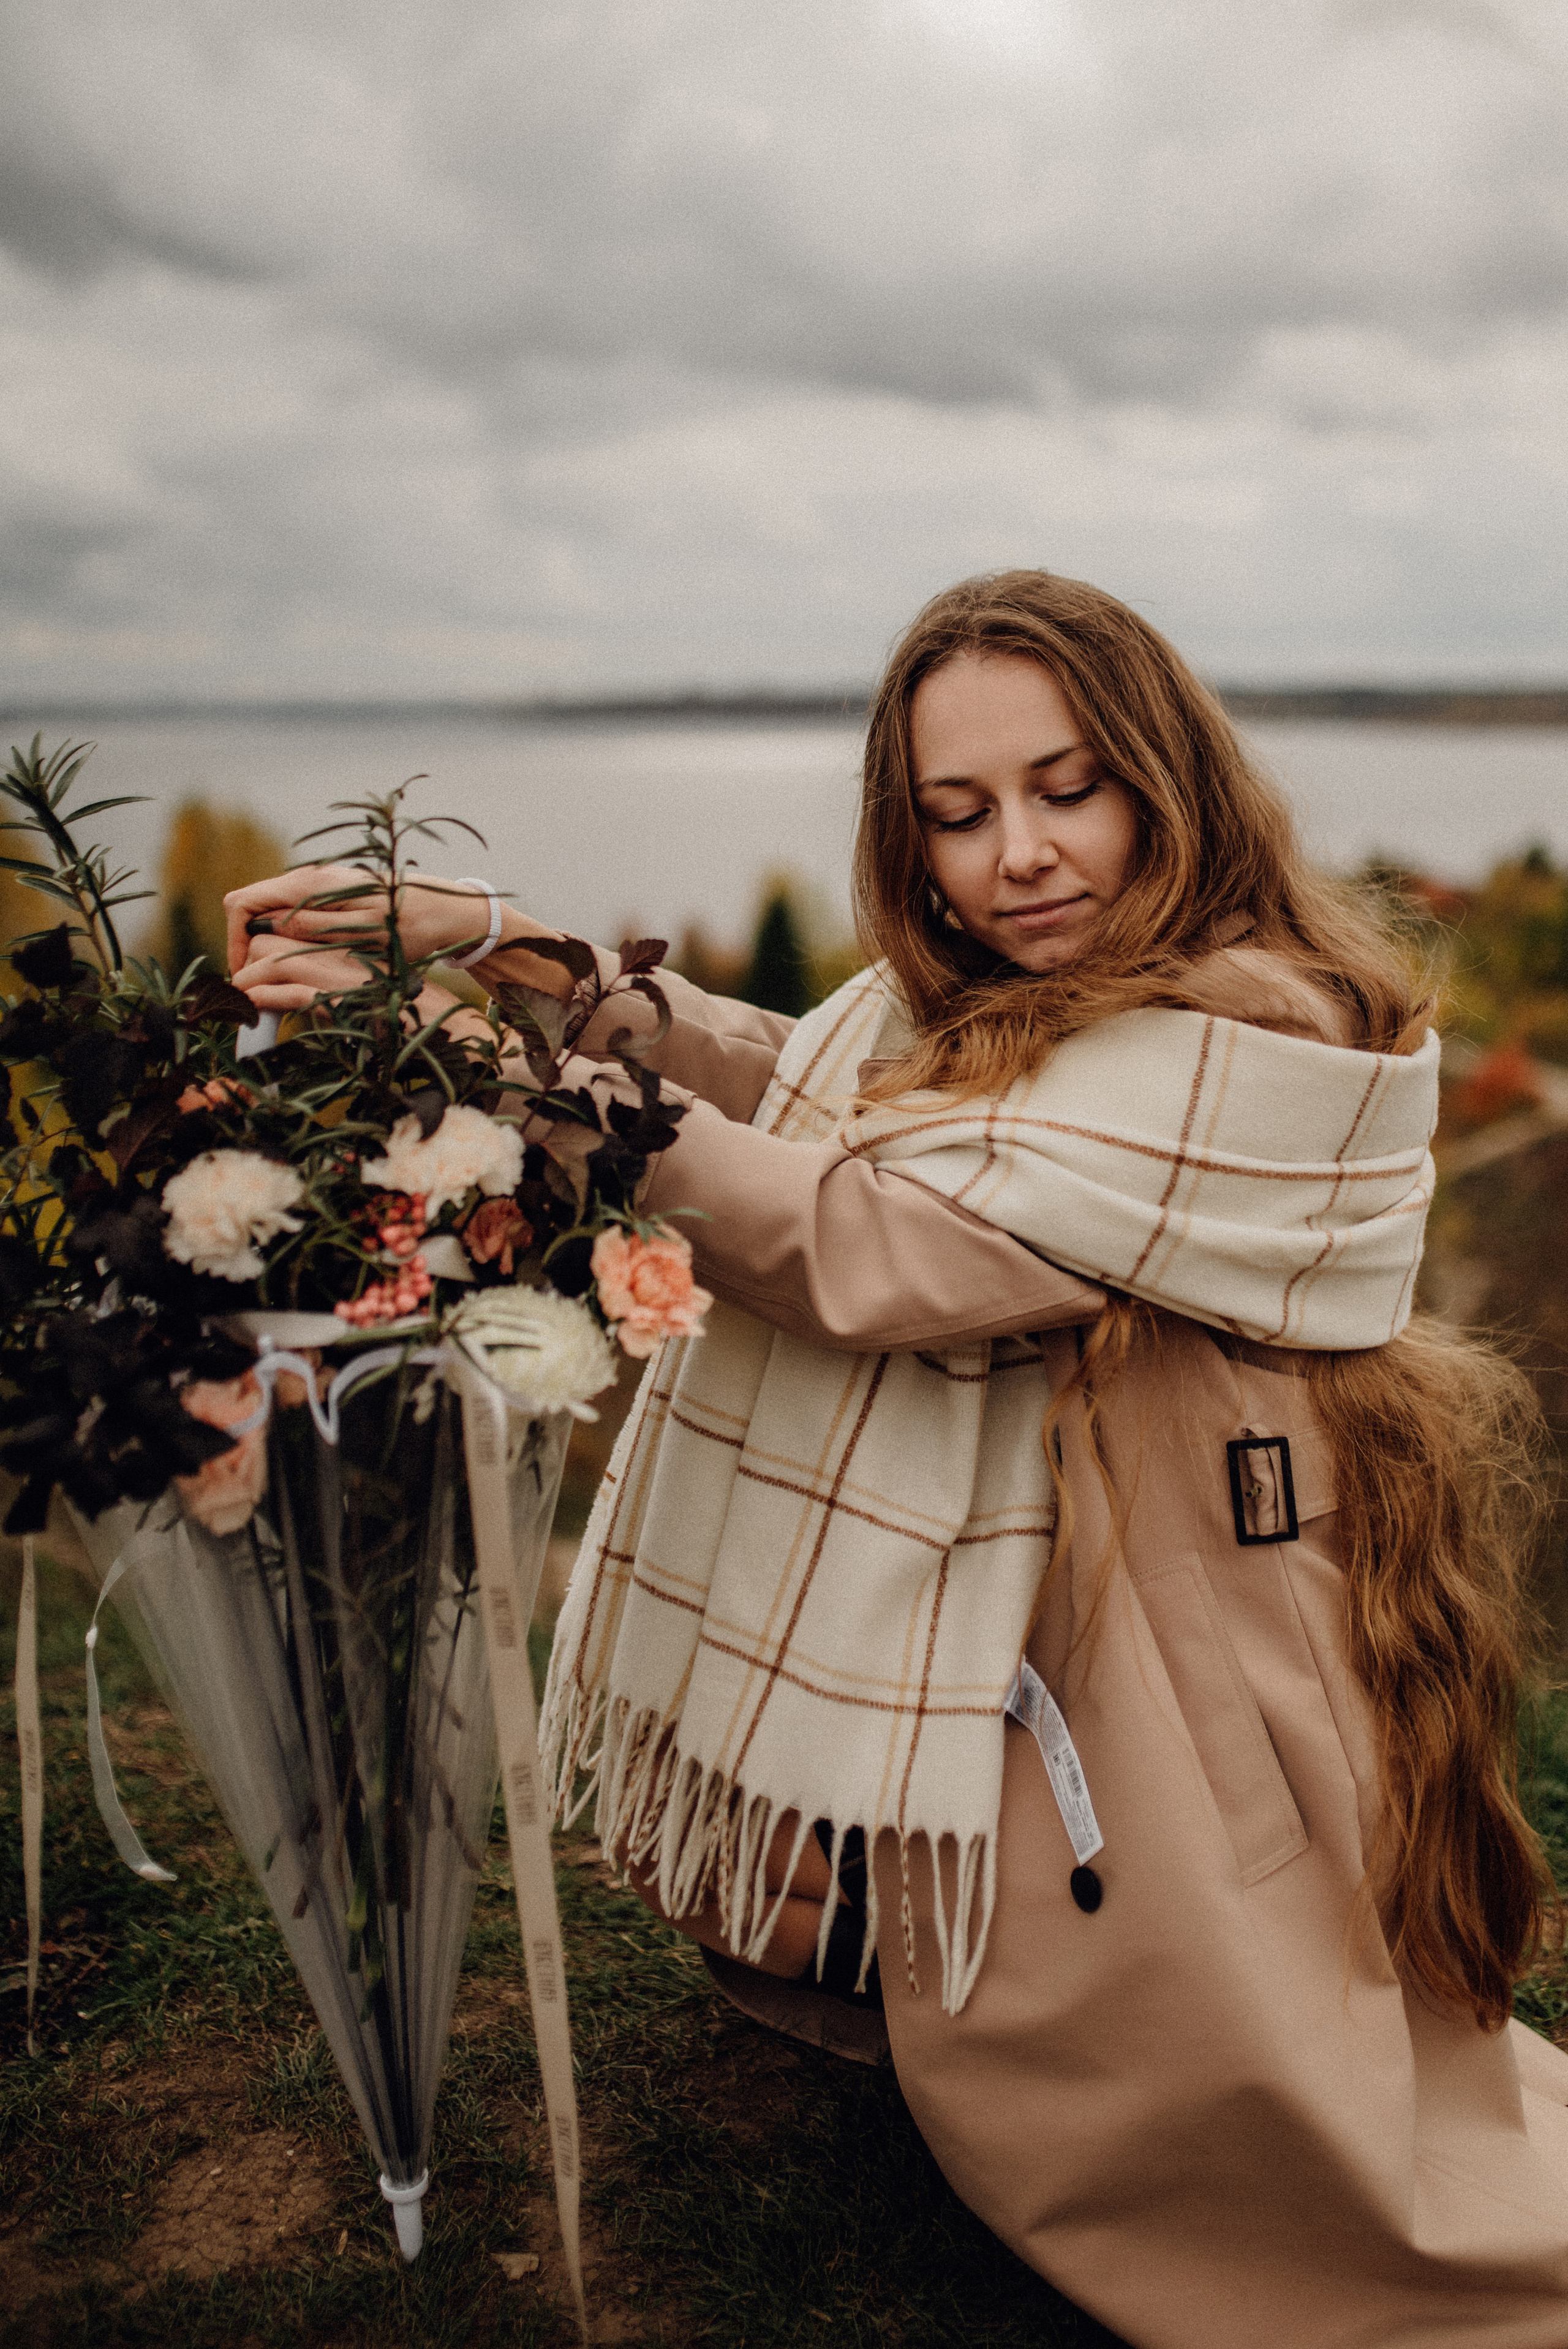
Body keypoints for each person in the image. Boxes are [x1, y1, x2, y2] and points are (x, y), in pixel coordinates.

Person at [228, 570, 1568, 2348]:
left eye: (1067, 786)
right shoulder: (1049, 1007)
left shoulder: (1258, 1025)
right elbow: (812, 1095)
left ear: (1168, 772)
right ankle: (866, 1963)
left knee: (1238, 2081)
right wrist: (510, 953)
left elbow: (884, 1246)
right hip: (1098, 1578)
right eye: (958, 812)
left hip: (1194, 1610)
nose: (1018, 853)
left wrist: (545, 1088)